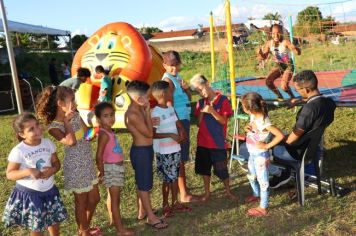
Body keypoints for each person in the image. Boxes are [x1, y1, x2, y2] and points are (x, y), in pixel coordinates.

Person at [36, 86, 101, 236]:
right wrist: (66, 121)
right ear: (60, 103)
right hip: (75, 167)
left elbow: (86, 134)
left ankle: (83, 227)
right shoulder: (54, 127)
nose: (75, 103)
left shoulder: (76, 114)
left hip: (87, 162)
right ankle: (84, 231)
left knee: (95, 198)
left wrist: (93, 132)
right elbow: (71, 141)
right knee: (81, 201)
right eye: (72, 100)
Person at [269, 70, 336, 188]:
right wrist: (300, 100)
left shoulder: (308, 111)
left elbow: (290, 141)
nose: (297, 93)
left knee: (265, 144)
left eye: (297, 91)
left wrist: (276, 139)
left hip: (298, 152)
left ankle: (284, 173)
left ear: (306, 90)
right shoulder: (329, 103)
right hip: (313, 146)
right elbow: (315, 101)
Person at [2, 113, 67, 235]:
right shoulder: (19, 151)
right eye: (31, 129)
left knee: (54, 222)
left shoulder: (47, 143)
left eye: (37, 125)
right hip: (31, 195)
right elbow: (10, 174)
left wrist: (53, 170)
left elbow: (56, 162)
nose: (37, 129)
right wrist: (28, 171)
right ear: (22, 134)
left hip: (50, 191)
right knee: (36, 227)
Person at [124, 80, 168, 230]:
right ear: (139, 98)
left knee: (142, 182)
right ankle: (151, 217)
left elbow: (146, 128)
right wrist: (149, 113)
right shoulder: (133, 113)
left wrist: (149, 118)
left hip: (145, 150)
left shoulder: (139, 108)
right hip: (141, 151)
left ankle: (142, 211)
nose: (150, 99)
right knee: (144, 185)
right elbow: (149, 133)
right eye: (148, 97)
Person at [190, 74, 238, 202]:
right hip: (203, 143)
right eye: (197, 91)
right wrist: (201, 112)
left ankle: (228, 191)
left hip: (217, 143)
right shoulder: (200, 103)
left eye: (201, 89)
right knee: (205, 171)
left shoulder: (223, 100)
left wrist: (212, 111)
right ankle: (207, 193)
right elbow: (198, 124)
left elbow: (223, 121)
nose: (200, 93)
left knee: (222, 170)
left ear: (207, 83)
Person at [151, 81, 192, 218]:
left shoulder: (170, 108)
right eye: (169, 91)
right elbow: (153, 134)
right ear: (163, 94)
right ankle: (165, 205)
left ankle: (175, 203)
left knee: (175, 177)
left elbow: (177, 122)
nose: (171, 93)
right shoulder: (155, 113)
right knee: (167, 180)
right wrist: (170, 135)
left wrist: (182, 132)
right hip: (164, 152)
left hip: (175, 149)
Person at [162, 50, 199, 203]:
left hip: (183, 118)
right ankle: (183, 194)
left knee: (182, 156)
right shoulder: (168, 81)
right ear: (164, 65)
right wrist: (178, 126)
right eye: (171, 66)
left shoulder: (177, 78)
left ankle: (184, 189)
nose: (174, 68)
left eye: (176, 65)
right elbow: (169, 104)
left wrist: (186, 89)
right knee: (180, 158)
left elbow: (188, 98)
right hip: (177, 121)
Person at [241, 92, 284, 217]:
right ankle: (256, 194)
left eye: (243, 106)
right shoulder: (254, 116)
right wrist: (248, 128)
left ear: (249, 109)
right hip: (252, 154)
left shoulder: (264, 123)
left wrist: (266, 146)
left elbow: (280, 135)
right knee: (251, 175)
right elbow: (253, 128)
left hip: (260, 156)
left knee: (263, 181)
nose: (242, 108)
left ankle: (263, 207)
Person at [94, 102, 134, 236]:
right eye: (106, 116)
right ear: (99, 119)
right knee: (115, 200)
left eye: (112, 115)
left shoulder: (108, 131)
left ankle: (113, 220)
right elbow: (98, 156)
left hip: (114, 168)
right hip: (112, 169)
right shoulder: (104, 134)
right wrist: (103, 172)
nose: (110, 118)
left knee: (112, 198)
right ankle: (120, 230)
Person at [258, 24, 301, 101]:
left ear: (281, 33)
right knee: (268, 82)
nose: (276, 35)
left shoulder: (285, 42)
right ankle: (279, 96)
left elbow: (297, 52)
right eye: (273, 33)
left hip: (288, 65)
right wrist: (260, 53)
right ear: (271, 34)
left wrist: (296, 49)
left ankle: (292, 97)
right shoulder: (269, 43)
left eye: (278, 33)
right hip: (279, 66)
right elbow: (264, 57)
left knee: (283, 86)